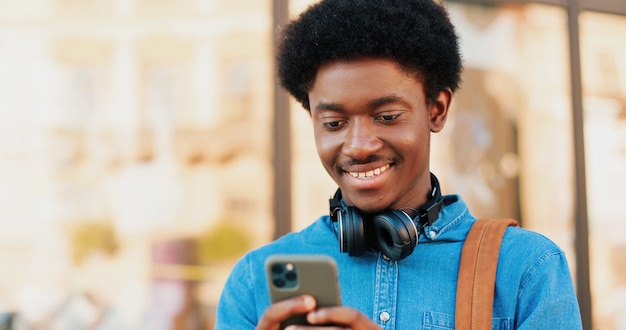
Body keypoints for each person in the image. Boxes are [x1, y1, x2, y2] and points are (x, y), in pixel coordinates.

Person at [215, 0, 583, 329]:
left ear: (436, 110)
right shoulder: (253, 283)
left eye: (387, 116)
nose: (358, 146)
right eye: (333, 123)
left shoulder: (526, 269)